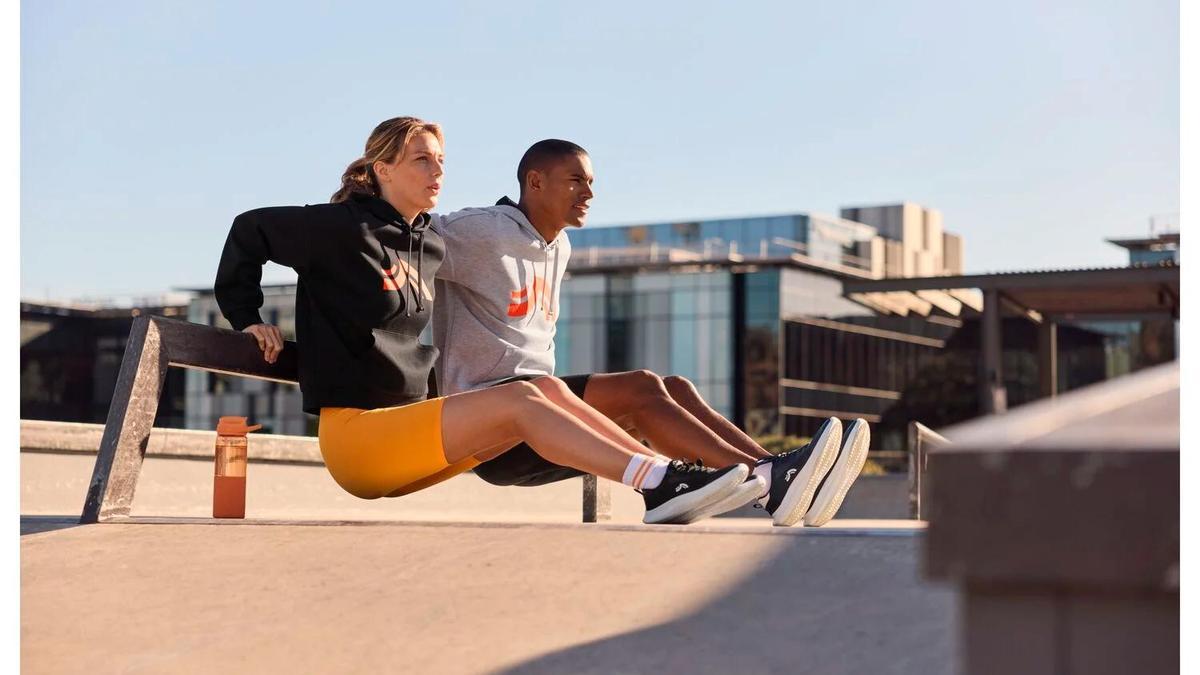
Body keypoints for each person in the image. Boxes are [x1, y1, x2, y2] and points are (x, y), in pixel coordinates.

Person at [213, 117, 766, 525]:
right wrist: (247, 318)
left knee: (544, 387)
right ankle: (660, 482)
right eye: (421, 160)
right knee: (525, 395)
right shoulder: (340, 228)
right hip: (359, 439)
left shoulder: (426, 244)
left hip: (415, 431)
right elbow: (249, 229)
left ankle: (697, 479)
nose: (437, 172)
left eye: (441, 161)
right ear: (381, 169)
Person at [432, 139, 871, 527]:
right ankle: (772, 480)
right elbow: (405, 232)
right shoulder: (481, 230)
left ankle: (775, 478)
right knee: (640, 387)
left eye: (591, 183)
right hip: (493, 422)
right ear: (536, 182)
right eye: (575, 181)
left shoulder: (558, 245)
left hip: (546, 414)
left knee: (673, 389)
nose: (589, 194)